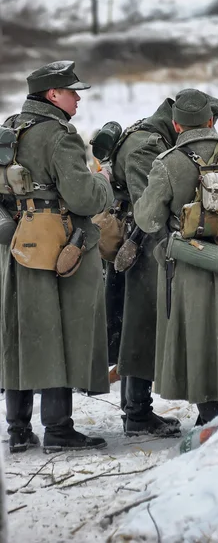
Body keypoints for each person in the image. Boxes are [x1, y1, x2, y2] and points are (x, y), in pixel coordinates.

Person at [134, 90, 218, 424]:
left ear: (176, 124)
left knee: (198, 337)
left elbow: (148, 219)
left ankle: (209, 416)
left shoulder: (168, 163)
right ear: (211, 120)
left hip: (190, 265)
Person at [0, 60, 113, 453]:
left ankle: (17, 429)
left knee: (20, 332)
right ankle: (59, 429)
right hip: (56, 245)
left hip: (14, 242)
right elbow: (83, 197)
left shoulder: (11, 127)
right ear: (53, 95)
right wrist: (103, 184)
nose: (77, 98)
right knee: (59, 331)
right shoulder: (60, 135)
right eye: (72, 92)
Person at [107, 90, 218, 437]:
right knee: (141, 327)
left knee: (143, 326)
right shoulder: (148, 144)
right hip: (146, 246)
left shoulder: (158, 137)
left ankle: (138, 411)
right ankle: (137, 413)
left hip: (156, 244)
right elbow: (152, 214)